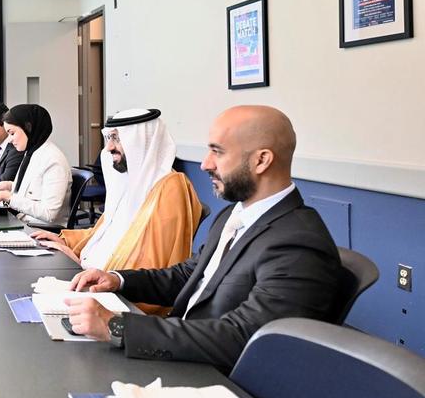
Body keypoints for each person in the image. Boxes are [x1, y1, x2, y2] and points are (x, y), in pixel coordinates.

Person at [62, 105, 347, 372]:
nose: (205, 164)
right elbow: (188, 275)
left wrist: (117, 326)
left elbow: (244, 337)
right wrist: (117, 280)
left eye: (217, 152)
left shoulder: (298, 242)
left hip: (218, 381)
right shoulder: (234, 215)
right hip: (184, 354)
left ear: (261, 160)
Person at [31, 108, 202, 314]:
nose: (109, 147)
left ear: (142, 141)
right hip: (93, 280)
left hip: (125, 302)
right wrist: (64, 240)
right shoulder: (129, 182)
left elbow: (152, 264)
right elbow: (104, 233)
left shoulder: (170, 188)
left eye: (117, 139)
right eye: (109, 138)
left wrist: (82, 264)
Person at [0, 104, 71, 225]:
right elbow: (34, 189)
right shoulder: (32, 153)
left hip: (39, 229)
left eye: (12, 133)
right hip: (23, 221)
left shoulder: (53, 160)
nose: (10, 139)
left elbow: (49, 213)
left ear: (28, 128)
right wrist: (9, 186)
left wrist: (7, 197)